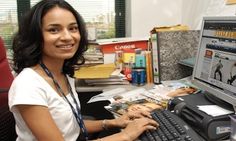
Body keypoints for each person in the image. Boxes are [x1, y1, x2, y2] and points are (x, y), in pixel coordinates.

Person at [8, 0, 158, 141]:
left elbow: (71, 127)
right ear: (35, 36)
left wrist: (114, 122)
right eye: (54, 30)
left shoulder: (62, 74)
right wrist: (126, 135)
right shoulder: (28, 85)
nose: (68, 37)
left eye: (73, 28)